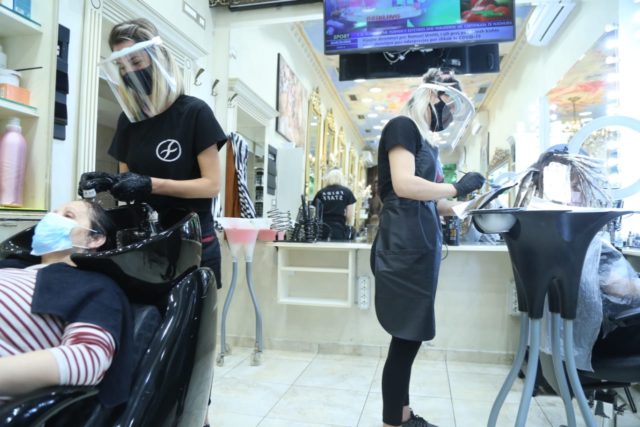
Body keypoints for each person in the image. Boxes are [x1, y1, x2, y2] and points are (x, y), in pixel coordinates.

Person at [78, 18, 227, 290]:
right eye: (121, 67)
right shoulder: (128, 121)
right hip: (145, 244)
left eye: (136, 62)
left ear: (158, 59)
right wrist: (108, 183)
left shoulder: (194, 112)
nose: (129, 72)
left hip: (192, 243)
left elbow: (211, 185)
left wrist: (151, 184)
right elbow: (128, 185)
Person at [370, 80, 484, 426]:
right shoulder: (402, 126)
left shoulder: (426, 144)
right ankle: (394, 420)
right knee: (406, 337)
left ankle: (402, 415)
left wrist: (471, 203)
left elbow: (436, 204)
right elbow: (404, 185)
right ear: (433, 94)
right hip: (403, 245)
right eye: (450, 104)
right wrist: (456, 186)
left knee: (410, 335)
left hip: (421, 246)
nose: (449, 115)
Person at [0, 200, 133, 408]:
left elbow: (87, 360)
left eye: (68, 215)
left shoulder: (95, 286)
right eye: (53, 212)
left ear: (95, 239)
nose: (52, 218)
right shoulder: (11, 267)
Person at [313, 168, 357, 241]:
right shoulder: (347, 192)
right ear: (341, 178)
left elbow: (316, 212)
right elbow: (349, 214)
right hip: (339, 228)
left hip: (322, 229)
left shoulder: (321, 192)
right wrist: (349, 226)